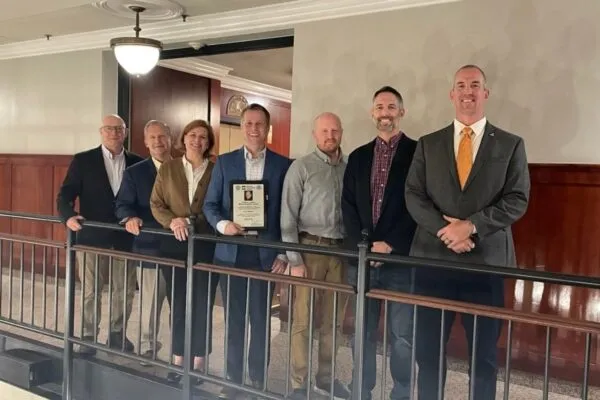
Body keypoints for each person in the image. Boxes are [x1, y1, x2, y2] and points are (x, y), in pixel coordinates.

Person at [405, 64, 530, 400]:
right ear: (451, 94)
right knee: (428, 352)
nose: (467, 92)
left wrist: (471, 226)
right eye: (461, 85)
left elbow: (518, 200)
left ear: (485, 93)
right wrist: (448, 230)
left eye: (475, 85)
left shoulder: (510, 144)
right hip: (433, 262)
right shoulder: (428, 144)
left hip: (486, 264)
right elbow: (413, 196)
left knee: (484, 355)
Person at [203, 103, 291, 399]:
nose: (254, 129)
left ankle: (257, 379)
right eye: (248, 123)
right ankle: (233, 376)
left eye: (259, 124)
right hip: (231, 253)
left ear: (267, 129)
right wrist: (223, 224)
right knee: (235, 319)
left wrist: (282, 253)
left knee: (261, 319)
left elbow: (287, 213)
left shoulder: (283, 165)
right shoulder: (225, 163)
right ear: (242, 127)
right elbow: (210, 205)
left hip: (266, 255)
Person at [342, 86, 417, 400]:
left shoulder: (419, 153)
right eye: (379, 107)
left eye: (391, 106)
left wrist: (392, 245)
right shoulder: (358, 157)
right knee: (363, 332)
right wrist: (365, 246)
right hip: (363, 260)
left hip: (401, 261)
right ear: (371, 113)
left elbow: (421, 206)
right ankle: (362, 389)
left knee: (402, 336)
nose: (384, 112)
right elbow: (348, 205)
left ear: (401, 112)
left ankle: (400, 393)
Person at [57, 114, 143, 354]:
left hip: (126, 238)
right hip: (92, 237)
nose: (114, 133)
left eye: (119, 129)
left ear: (125, 132)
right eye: (109, 129)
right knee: (91, 291)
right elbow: (65, 194)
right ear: (101, 132)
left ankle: (117, 336)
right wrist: (68, 216)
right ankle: (87, 336)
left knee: (123, 291)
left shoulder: (138, 162)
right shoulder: (84, 160)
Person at [281, 112, 350, 400]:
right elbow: (287, 216)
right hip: (310, 251)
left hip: (341, 253)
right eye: (324, 131)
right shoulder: (301, 167)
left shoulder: (350, 170)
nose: (330, 136)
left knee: (333, 322)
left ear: (341, 133)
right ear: (315, 134)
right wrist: (294, 260)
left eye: (335, 130)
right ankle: (299, 383)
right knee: (303, 321)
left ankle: (325, 377)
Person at [150, 119, 219, 384]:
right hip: (174, 245)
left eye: (203, 137)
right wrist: (173, 221)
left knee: (202, 303)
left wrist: (191, 221)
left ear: (208, 142)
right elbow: (156, 204)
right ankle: (179, 358)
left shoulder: (216, 169)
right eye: (192, 135)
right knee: (178, 303)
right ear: (184, 138)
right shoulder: (168, 168)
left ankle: (199, 361)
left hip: (205, 245)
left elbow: (220, 205)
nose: (197, 140)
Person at [115, 120, 172, 362]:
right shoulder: (134, 172)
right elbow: (122, 204)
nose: (158, 141)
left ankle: (181, 352)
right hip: (149, 248)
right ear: (146, 142)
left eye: (162, 136)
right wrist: (128, 217)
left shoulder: (184, 167)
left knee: (182, 305)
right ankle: (148, 348)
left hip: (182, 249)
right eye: (153, 138)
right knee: (149, 303)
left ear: (170, 138)